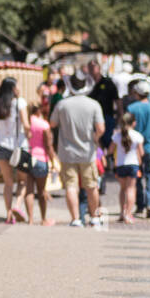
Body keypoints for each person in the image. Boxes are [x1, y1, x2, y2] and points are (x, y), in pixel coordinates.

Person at [49, 72, 105, 227]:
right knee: (91, 185)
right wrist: (94, 139)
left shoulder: (62, 105)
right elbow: (101, 128)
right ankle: (94, 217)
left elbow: (52, 123)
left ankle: (75, 219)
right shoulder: (93, 104)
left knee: (70, 186)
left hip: (67, 151)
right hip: (87, 151)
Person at [0, 78, 30, 224]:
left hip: (1, 147)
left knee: (8, 183)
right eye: (17, 86)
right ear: (13, 88)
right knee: (23, 181)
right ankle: (18, 206)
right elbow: (26, 125)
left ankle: (9, 214)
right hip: (19, 147)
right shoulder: (20, 103)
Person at [126, 79, 150, 218]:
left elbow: (125, 126)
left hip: (135, 149)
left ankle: (140, 205)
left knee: (137, 177)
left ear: (137, 93)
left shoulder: (131, 108)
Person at [22, 101, 57, 225]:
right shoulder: (43, 124)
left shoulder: (25, 123)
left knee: (29, 190)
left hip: (27, 157)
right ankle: (43, 219)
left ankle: (30, 219)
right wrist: (53, 161)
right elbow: (48, 145)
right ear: (39, 110)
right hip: (41, 158)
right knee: (41, 192)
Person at [111, 110, 143, 223]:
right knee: (131, 189)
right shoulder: (137, 136)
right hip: (133, 164)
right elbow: (141, 153)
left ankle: (121, 212)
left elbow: (111, 150)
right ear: (133, 123)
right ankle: (128, 214)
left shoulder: (117, 135)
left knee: (123, 189)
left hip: (120, 164)